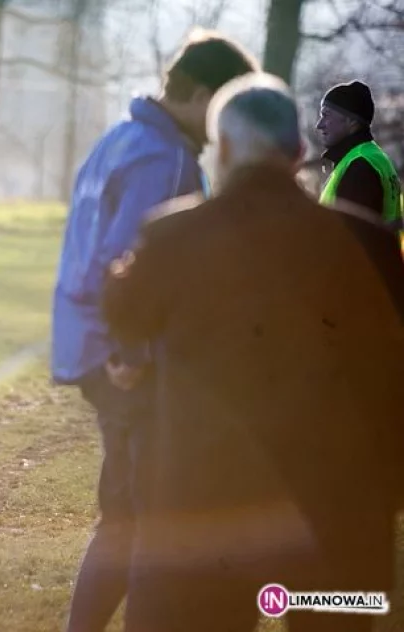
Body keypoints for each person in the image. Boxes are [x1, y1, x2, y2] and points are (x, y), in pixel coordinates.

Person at [103, 72, 404, 632]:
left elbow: (121, 316)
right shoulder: (372, 245)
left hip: (207, 513)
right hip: (339, 513)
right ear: (297, 153)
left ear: (224, 150)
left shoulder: (173, 238)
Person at [51, 28, 259, 631]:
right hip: (123, 360)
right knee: (151, 520)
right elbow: (127, 263)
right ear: (199, 95)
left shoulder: (121, 137)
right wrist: (132, 352)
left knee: (125, 515)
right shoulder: (164, 158)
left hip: (90, 347)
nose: (222, 128)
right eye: (222, 108)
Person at [316, 80, 403, 230]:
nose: (319, 124)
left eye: (326, 115)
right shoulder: (372, 156)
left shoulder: (359, 166)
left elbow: (355, 236)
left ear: (352, 121)